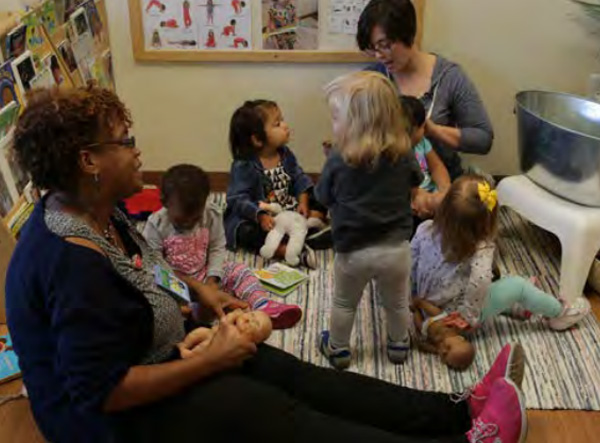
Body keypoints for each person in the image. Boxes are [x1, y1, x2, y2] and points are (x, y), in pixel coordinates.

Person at [6, 86, 529, 443]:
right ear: (87, 161)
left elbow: (142, 282)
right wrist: (207, 358)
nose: (139, 152)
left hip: (157, 356)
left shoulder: (100, 213)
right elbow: (101, 392)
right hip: (107, 424)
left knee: (294, 374)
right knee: (277, 416)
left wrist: (198, 318)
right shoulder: (66, 260)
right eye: (126, 141)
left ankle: (456, 410)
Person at [315, 71, 422, 370]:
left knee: (344, 304)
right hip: (396, 250)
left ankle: (338, 349)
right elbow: (417, 179)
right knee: (397, 303)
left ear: (355, 123)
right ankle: (399, 345)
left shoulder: (338, 159)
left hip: (354, 251)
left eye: (336, 118)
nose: (333, 125)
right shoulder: (403, 153)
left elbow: (322, 196)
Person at [411, 175, 591, 333]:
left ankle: (515, 308)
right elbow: (480, 280)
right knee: (518, 286)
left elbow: (409, 264)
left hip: (424, 308)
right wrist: (468, 318)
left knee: (487, 282)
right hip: (452, 320)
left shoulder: (424, 228)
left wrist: (412, 298)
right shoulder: (481, 248)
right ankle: (560, 313)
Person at [143, 164, 302, 329]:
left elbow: (217, 247)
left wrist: (212, 280)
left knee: (240, 271)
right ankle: (202, 313)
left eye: (195, 218)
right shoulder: (156, 224)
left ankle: (262, 304)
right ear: (164, 202)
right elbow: (156, 267)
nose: (189, 224)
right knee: (159, 299)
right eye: (181, 220)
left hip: (205, 271)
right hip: (176, 280)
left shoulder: (211, 214)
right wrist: (198, 289)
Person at [357, 0, 494, 180]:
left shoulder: (449, 77)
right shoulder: (372, 79)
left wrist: (434, 130)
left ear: (408, 34)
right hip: (387, 188)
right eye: (373, 48)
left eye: (385, 45)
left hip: (442, 184)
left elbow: (483, 139)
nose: (379, 55)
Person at [225, 99, 330, 268]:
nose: (285, 126)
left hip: (290, 209)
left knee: (322, 191)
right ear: (257, 140)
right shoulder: (244, 165)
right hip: (267, 219)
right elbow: (237, 199)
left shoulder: (285, 154)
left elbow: (299, 177)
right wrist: (260, 216)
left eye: (282, 120)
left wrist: (303, 200)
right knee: (245, 232)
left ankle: (309, 226)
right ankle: (286, 249)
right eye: (277, 124)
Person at [401, 95, 450, 219]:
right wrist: (418, 196)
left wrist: (445, 189)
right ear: (414, 129)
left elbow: (437, 167)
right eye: (423, 127)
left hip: (432, 196)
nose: (425, 130)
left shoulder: (422, 143)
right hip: (411, 202)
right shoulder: (396, 153)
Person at [178, 309, 273, 358]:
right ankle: (185, 344)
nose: (251, 319)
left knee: (204, 347)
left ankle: (189, 354)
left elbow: (224, 322)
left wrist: (233, 315)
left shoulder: (239, 338)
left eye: (256, 324)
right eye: (252, 314)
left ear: (256, 340)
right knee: (199, 332)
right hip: (210, 333)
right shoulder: (235, 324)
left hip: (214, 344)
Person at [412, 298, 475, 370]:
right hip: (438, 318)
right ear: (459, 338)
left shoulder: (437, 349)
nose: (443, 350)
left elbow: (423, 346)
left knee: (419, 325)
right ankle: (420, 303)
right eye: (448, 347)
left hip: (425, 328)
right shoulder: (454, 330)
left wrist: (423, 345)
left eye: (444, 355)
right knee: (433, 310)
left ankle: (415, 310)